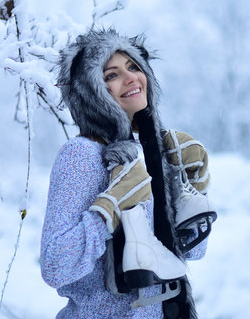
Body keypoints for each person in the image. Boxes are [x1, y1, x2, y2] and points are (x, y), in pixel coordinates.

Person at [40, 29, 216, 318]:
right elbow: (55, 265)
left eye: (134, 67)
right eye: (111, 75)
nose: (131, 77)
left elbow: (192, 253)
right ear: (91, 94)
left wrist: (193, 186)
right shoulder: (82, 155)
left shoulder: (148, 156)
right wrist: (109, 209)